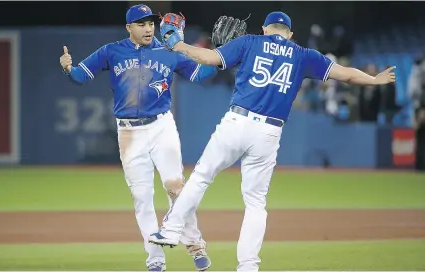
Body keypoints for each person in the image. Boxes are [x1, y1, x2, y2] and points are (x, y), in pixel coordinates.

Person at [148, 11, 396, 271]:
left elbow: (209, 58)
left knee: (201, 177)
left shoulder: (250, 42)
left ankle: (172, 230)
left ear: (265, 29)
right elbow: (346, 74)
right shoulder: (304, 55)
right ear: (290, 34)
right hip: (269, 132)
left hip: (237, 122)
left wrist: (178, 45)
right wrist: (374, 79)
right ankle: (248, 265)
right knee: (255, 202)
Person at [59, 4, 224, 272]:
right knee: (142, 198)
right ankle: (155, 259)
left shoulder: (169, 51)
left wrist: (219, 56)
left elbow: (202, 75)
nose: (148, 28)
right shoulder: (111, 51)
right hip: (129, 133)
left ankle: (195, 246)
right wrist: (68, 69)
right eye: (142, 24)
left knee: (176, 189)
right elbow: (80, 76)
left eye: (151, 24)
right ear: (129, 28)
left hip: (161, 127)